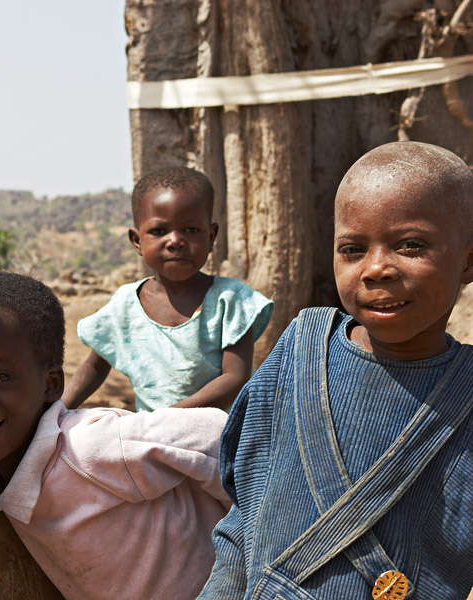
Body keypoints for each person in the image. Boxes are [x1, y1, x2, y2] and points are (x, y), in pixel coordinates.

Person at [197, 142, 473, 599]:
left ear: (467, 259)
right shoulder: (301, 352)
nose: (377, 268)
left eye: (411, 245)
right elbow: (246, 513)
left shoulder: (465, 397)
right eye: (352, 249)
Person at [0, 271, 232, 600]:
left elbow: (218, 434)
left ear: (51, 385)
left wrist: (248, 548)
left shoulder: (93, 447)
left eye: (0, 377)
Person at [63, 167, 273, 412]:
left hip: (221, 436)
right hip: (155, 439)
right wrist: (57, 413)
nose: (175, 241)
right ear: (137, 241)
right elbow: (95, 367)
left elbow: (235, 378)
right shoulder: (125, 305)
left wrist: (171, 416)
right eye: (159, 231)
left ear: (211, 236)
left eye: (191, 230)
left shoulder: (230, 301)